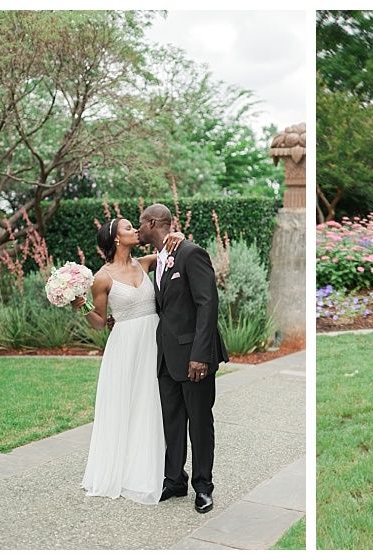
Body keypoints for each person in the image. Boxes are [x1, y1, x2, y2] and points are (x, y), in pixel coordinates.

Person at [75, 218, 183, 504]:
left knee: (153, 402)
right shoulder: (102, 277)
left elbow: (173, 251)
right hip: (125, 346)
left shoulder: (146, 262)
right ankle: (126, 470)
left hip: (154, 341)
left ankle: (158, 468)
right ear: (116, 239)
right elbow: (99, 323)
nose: (135, 230)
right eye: (127, 228)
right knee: (128, 403)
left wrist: (179, 235)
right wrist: (81, 305)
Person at [137, 203, 228, 514]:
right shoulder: (160, 258)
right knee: (172, 422)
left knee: (199, 423)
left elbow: (207, 304)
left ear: (152, 222)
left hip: (194, 357)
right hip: (166, 358)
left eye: (141, 224)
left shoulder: (191, 253)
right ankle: (174, 479)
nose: (138, 230)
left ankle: (203, 487)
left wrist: (200, 355)